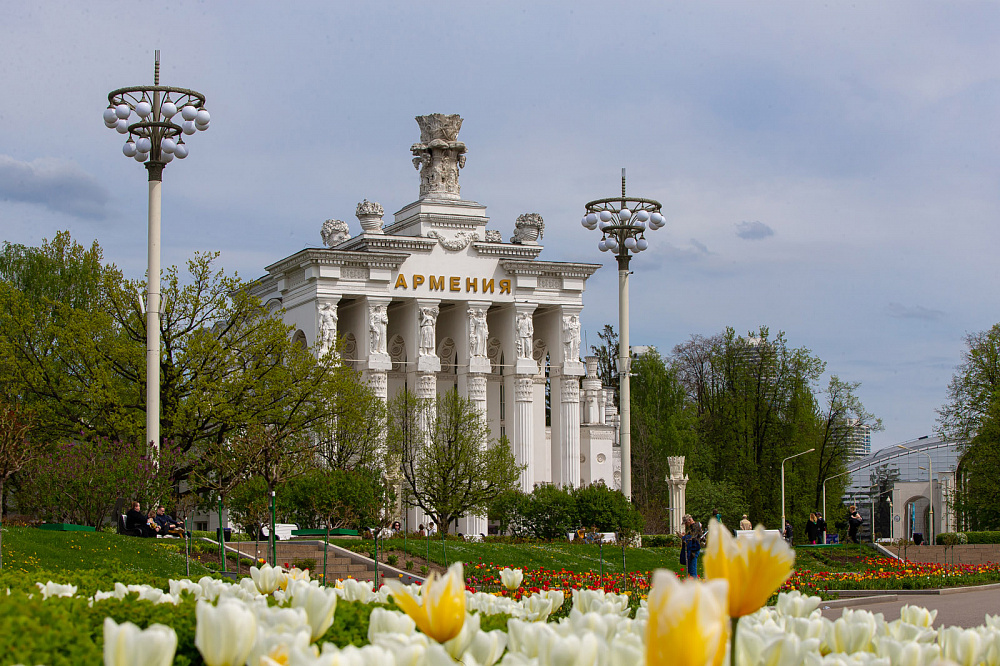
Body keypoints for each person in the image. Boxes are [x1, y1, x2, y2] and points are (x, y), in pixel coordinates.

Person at [681, 514, 703, 578]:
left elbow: (693, 538)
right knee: (690, 571)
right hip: (693, 550)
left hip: (694, 550)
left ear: (689, 520)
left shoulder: (694, 527)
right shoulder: (694, 527)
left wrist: (684, 537)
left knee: (692, 572)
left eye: (686, 523)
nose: (685, 525)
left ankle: (695, 586)